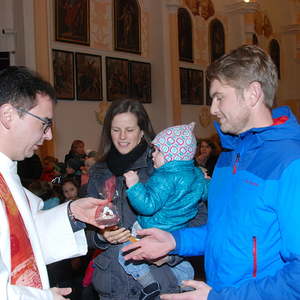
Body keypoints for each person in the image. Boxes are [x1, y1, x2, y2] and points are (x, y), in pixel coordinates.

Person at [122, 44, 300, 300]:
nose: (213, 109)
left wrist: (219, 298)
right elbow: (222, 234)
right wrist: (175, 241)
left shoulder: (291, 162)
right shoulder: (229, 157)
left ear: (252, 94)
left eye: (219, 97)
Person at [0, 66, 107, 300]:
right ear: (8, 115)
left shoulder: (8, 173)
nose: (48, 135)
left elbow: (25, 236)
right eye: (44, 123)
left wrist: (72, 213)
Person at [86, 99, 207, 300]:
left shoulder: (164, 168)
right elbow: (84, 227)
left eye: (129, 130)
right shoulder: (99, 172)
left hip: (159, 281)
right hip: (111, 283)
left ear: (142, 131)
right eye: (116, 130)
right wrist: (101, 235)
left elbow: (199, 219)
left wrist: (170, 252)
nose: (122, 137)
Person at [119, 122, 208, 297]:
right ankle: (186, 282)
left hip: (152, 227)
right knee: (177, 261)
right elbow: (207, 193)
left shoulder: (164, 178)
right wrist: (207, 181)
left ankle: (148, 283)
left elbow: (147, 206)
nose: (153, 154)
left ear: (172, 155)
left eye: (158, 151)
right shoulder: (196, 175)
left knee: (124, 253)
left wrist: (134, 186)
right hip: (176, 231)